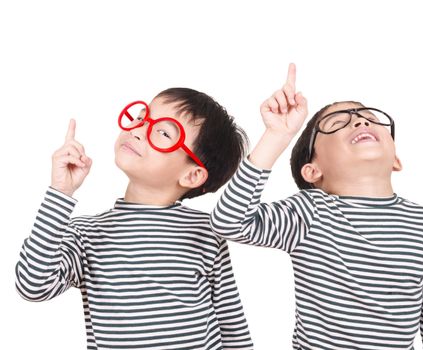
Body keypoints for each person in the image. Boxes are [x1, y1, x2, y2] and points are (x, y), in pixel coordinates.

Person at [210, 64, 423, 349]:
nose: (360, 122)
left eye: (369, 117)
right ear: (312, 171)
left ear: (396, 160)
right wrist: (276, 136)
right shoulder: (310, 213)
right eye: (336, 123)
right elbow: (228, 222)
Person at [15, 88, 253, 349]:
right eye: (141, 118)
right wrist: (61, 193)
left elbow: (232, 326)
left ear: (192, 176)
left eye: (164, 132)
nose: (137, 130)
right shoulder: (86, 234)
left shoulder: (206, 232)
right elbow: (32, 285)